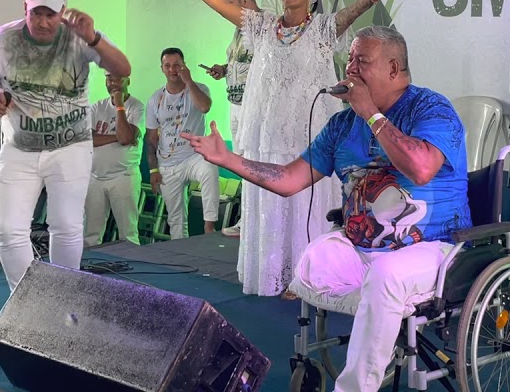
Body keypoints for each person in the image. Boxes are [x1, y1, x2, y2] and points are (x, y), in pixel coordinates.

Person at [181, 27, 470, 392]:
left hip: (435, 249)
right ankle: (380, 327)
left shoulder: (431, 108)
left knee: (387, 277)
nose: (349, 69)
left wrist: (372, 115)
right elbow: (289, 179)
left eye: (361, 61)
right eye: (349, 59)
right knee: (313, 261)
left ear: (394, 69)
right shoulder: (341, 125)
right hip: (364, 246)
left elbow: (422, 168)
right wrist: (228, 160)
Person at [158, 0, 411, 298]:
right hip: (268, 130)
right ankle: (270, 273)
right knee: (269, 202)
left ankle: (303, 278)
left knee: (303, 204)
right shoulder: (262, 25)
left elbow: (354, 10)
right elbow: (219, 4)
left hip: (306, 135)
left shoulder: (322, 29)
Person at [0, 0, 131, 291]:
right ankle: (25, 299)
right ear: (25, 9)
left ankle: (63, 297)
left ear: (62, 11)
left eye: (50, 14)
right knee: (8, 230)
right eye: (36, 13)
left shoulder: (80, 38)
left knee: (65, 226)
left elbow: (123, 69)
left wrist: (94, 37)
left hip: (70, 147)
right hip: (20, 148)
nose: (43, 22)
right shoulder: (4, 38)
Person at [203, 0, 259, 238]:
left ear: (245, 3)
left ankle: (255, 222)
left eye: (230, 4)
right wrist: (223, 70)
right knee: (239, 163)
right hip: (235, 105)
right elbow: (239, 62)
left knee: (254, 163)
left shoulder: (262, 27)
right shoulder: (238, 30)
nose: (226, 10)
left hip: (253, 107)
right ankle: (245, 220)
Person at [145, 48, 218, 238]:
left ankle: (209, 228)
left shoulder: (199, 88)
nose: (172, 69)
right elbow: (151, 138)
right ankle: (182, 256)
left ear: (184, 65)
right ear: (161, 68)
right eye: (167, 65)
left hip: (193, 157)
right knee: (176, 221)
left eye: (177, 65)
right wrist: (153, 170)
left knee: (210, 167)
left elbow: (204, 107)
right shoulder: (155, 100)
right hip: (168, 165)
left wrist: (189, 81)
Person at [85, 73, 144, 246]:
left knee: (128, 234)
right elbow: (86, 140)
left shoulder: (137, 106)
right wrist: (116, 136)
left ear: (128, 81)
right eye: (109, 79)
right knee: (90, 234)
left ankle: (133, 270)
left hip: (123, 176)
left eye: (118, 79)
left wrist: (119, 106)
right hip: (95, 177)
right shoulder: (97, 107)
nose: (113, 83)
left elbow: (126, 138)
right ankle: (89, 270)